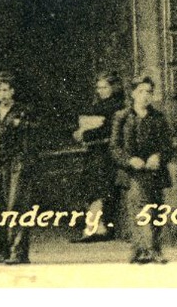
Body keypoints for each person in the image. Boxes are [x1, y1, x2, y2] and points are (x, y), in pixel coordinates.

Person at [111, 74, 176, 264]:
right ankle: (150, 250)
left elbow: (169, 144)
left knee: (155, 210)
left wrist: (159, 156)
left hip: (155, 172)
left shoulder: (159, 118)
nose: (145, 96)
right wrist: (130, 160)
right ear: (132, 93)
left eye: (149, 92)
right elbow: (114, 147)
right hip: (133, 174)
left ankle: (142, 250)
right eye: (141, 91)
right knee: (141, 209)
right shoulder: (122, 117)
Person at [0, 71, 37, 265]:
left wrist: (20, 124)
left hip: (18, 164)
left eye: (7, 90)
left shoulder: (23, 110)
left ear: (13, 91)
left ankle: (18, 253)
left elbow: (37, 130)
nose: (4, 94)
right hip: (0, 165)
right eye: (0, 90)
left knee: (16, 207)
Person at [74, 72, 126, 242]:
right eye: (99, 87)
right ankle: (98, 227)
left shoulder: (116, 107)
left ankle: (94, 229)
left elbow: (109, 131)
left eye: (104, 87)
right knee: (94, 188)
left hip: (105, 152)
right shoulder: (100, 105)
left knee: (98, 189)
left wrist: (85, 134)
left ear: (113, 88)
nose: (100, 90)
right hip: (95, 152)